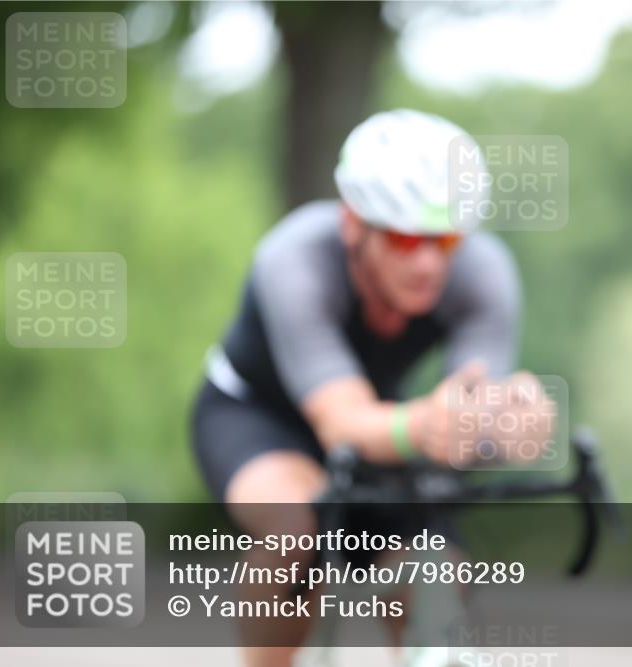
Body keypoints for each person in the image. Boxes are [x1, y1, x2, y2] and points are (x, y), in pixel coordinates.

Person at [190, 109, 554, 667]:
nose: (429, 263)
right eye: (406, 239)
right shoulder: (293, 259)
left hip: (386, 424)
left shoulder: (484, 272)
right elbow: (343, 422)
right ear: (353, 225)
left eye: (446, 238)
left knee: (435, 575)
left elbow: (467, 420)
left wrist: (505, 429)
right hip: (257, 416)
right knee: (296, 527)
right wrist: (425, 426)